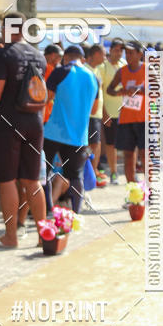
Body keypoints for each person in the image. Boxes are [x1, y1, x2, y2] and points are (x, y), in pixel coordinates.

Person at [0, 13, 47, 249]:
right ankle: (43, 234)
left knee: (6, 180)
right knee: (32, 181)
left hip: (8, 123)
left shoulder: (2, 54)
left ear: (7, 29)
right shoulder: (39, 56)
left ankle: (11, 237)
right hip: (34, 123)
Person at [43, 45, 98, 213]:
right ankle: (75, 213)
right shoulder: (94, 77)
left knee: (44, 173)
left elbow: (46, 97)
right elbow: (94, 110)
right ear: (82, 59)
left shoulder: (60, 72)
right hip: (79, 135)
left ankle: (46, 210)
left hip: (53, 132)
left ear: (65, 57)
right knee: (76, 175)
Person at [107, 40, 145, 183]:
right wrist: (119, 92)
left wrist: (140, 90)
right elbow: (109, 89)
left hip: (145, 119)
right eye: (126, 53)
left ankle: (151, 190)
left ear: (140, 54)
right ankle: (132, 190)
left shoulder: (148, 70)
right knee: (128, 156)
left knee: (145, 155)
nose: (127, 56)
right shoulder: (121, 72)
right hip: (126, 119)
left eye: (131, 53)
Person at [100, 39, 125, 184]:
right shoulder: (104, 67)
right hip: (110, 111)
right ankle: (114, 172)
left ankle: (130, 172)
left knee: (129, 144)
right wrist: (104, 113)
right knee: (111, 144)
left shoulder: (124, 65)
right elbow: (100, 91)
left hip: (125, 112)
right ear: (110, 51)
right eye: (116, 50)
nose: (119, 53)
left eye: (121, 51)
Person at [85, 44, 105, 175]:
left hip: (97, 114)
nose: (105, 57)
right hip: (89, 115)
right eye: (103, 54)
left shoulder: (97, 70)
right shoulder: (86, 71)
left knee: (95, 144)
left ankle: (92, 170)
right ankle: (90, 172)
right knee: (92, 145)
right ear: (96, 54)